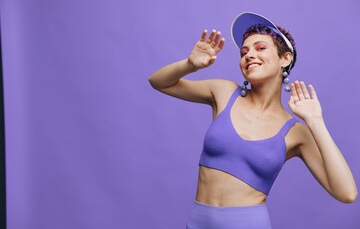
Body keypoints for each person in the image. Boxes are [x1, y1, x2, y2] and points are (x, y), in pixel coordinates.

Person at [148, 12, 358, 229]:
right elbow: (159, 82)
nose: (248, 55)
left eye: (260, 48)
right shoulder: (223, 92)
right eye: (244, 51)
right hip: (197, 222)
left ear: (285, 58)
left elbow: (347, 193)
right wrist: (190, 65)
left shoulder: (296, 132)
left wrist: (316, 122)